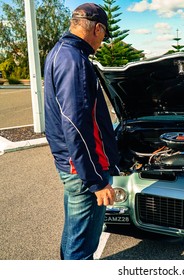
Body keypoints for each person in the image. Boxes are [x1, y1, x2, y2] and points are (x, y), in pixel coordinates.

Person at [44, 3, 120, 260]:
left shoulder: (59, 52)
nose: (101, 43)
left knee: (74, 234)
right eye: (103, 36)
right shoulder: (75, 61)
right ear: (98, 29)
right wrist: (97, 180)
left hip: (70, 163)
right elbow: (77, 125)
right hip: (82, 170)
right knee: (83, 244)